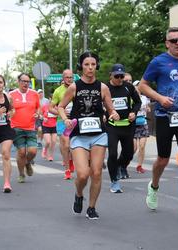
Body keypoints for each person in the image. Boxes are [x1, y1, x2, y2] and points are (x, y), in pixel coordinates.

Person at [138, 26, 178, 220]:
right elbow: (142, 86)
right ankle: (154, 185)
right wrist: (160, 98)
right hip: (164, 116)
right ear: (167, 43)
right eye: (174, 40)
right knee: (163, 159)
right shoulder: (158, 62)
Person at [58, 51, 119, 219]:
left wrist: (114, 114)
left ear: (97, 66)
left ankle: (91, 207)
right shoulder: (74, 87)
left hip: (99, 133)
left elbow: (111, 108)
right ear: (81, 67)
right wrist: (66, 119)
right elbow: (61, 106)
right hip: (79, 135)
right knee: (83, 174)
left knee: (97, 172)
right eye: (86, 65)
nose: (90, 68)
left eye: (93, 64)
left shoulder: (103, 87)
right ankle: (79, 194)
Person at [106, 64, 141, 193]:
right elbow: (99, 105)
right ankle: (114, 181)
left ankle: (121, 166)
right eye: (117, 76)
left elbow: (138, 102)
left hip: (127, 125)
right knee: (113, 154)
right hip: (112, 126)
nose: (120, 79)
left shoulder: (128, 87)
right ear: (111, 75)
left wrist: (134, 112)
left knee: (129, 153)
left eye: (122, 76)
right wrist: (107, 114)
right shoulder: (105, 88)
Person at [10, 73, 40, 183]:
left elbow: (38, 108)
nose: (26, 83)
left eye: (27, 81)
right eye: (23, 81)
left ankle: (27, 163)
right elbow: (8, 109)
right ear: (18, 81)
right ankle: (21, 174)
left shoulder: (34, 94)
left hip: (31, 127)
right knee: (21, 152)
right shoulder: (11, 95)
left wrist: (38, 114)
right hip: (16, 127)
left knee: (33, 151)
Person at [50, 70, 75, 179]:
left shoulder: (77, 88)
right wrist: (61, 112)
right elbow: (50, 108)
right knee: (65, 145)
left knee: (73, 145)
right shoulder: (58, 91)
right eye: (67, 77)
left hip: (75, 120)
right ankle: (67, 170)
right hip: (62, 121)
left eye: (71, 77)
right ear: (63, 78)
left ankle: (71, 160)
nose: (69, 79)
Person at [133, 80, 151, 174]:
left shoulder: (145, 98)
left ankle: (139, 166)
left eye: (139, 86)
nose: (138, 88)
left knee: (142, 146)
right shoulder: (131, 98)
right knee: (134, 148)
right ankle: (125, 162)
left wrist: (148, 109)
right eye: (136, 86)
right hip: (133, 124)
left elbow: (148, 108)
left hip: (143, 122)